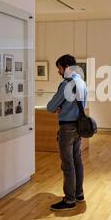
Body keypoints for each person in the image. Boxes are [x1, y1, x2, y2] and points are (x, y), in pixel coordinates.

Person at [47, 54, 87, 210]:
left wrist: (59, 107)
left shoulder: (66, 84)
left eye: (59, 68)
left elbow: (50, 107)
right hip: (78, 126)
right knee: (77, 161)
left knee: (67, 164)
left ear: (66, 67)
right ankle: (79, 194)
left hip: (67, 128)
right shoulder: (82, 82)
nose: (59, 72)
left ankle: (69, 200)